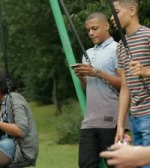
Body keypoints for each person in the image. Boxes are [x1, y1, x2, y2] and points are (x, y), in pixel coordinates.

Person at [73, 12, 123, 168]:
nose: (91, 33)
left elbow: (124, 84)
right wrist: (82, 77)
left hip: (111, 117)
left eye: (94, 28)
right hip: (90, 119)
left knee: (115, 163)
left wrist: (98, 73)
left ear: (106, 26)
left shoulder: (117, 48)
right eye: (88, 30)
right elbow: (88, 88)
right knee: (85, 163)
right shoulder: (87, 54)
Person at [112, 0, 150, 153]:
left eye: (116, 12)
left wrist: (146, 71)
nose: (112, 17)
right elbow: (125, 86)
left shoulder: (148, 36)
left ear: (132, 10)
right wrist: (121, 124)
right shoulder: (121, 45)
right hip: (135, 118)